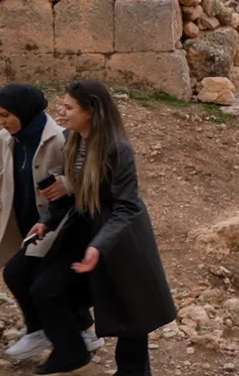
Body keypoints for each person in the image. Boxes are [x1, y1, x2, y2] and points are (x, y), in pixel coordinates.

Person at [0, 84, 102, 365]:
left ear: (25, 111)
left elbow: (94, 177)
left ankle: (48, 332)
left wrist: (68, 184)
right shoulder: (6, 141)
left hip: (63, 228)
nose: (0, 121)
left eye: (5, 115)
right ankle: (77, 332)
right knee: (37, 278)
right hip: (31, 227)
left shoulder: (63, 140)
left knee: (25, 275)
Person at [29, 80, 176, 375]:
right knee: (47, 289)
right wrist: (47, 220)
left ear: (91, 111)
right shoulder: (73, 139)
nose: (62, 112)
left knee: (131, 315)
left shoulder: (117, 149)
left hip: (121, 239)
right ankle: (71, 352)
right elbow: (74, 191)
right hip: (85, 230)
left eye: (69, 107)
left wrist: (100, 244)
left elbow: (127, 206)